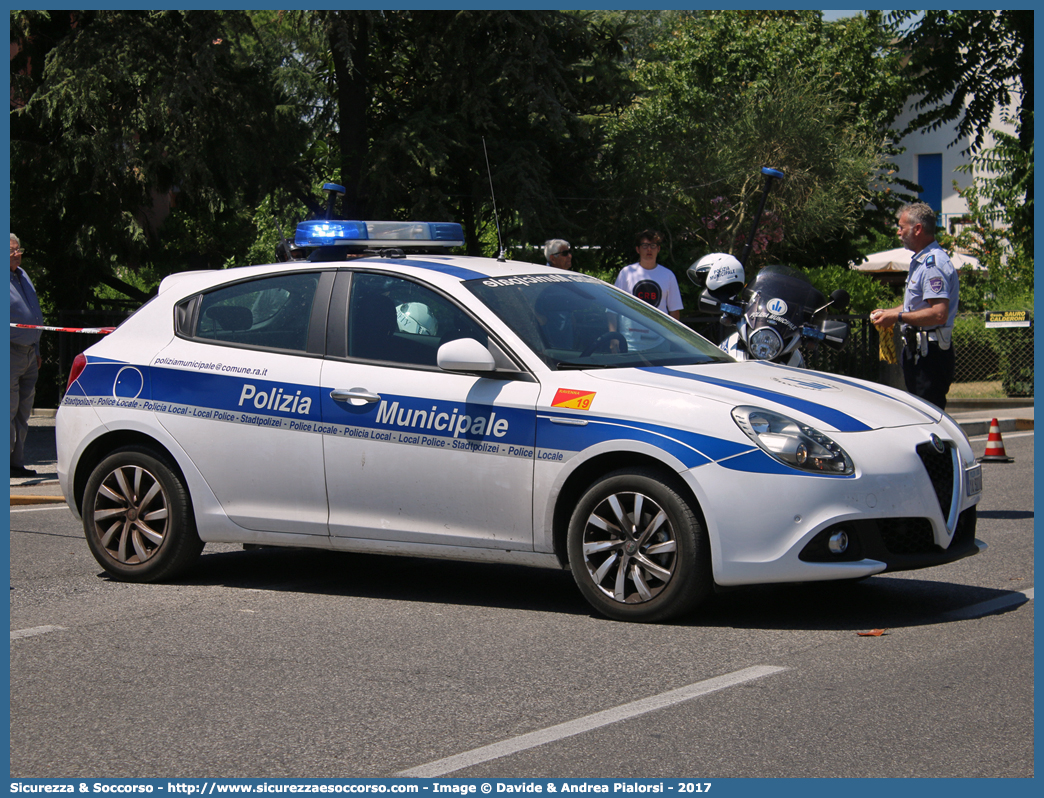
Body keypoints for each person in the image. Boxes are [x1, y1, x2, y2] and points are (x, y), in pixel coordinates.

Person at [870, 202, 959, 410]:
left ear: (917, 229)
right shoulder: (921, 261)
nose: (898, 232)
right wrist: (890, 312)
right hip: (919, 352)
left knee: (928, 417)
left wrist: (897, 318)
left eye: (902, 227)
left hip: (930, 355)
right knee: (920, 414)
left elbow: (938, 314)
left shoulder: (933, 264)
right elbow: (916, 304)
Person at [610, 230, 683, 351]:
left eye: (653, 245)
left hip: (659, 343)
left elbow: (674, 312)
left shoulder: (668, 275)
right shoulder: (626, 273)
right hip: (629, 343)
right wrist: (613, 337)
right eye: (645, 245)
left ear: (658, 249)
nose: (649, 249)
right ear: (638, 249)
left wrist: (670, 339)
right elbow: (612, 307)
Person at [10, 233, 44, 478]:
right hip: (10, 353)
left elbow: (33, 313)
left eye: (18, 249)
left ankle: (16, 463)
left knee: (23, 413)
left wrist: (38, 349)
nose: (18, 253)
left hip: (30, 354)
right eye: (13, 251)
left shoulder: (23, 276)